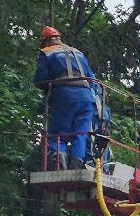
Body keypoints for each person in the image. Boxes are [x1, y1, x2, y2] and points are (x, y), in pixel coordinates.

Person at [33, 26, 96, 168]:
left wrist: (49, 91)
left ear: (45, 42)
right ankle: (77, 163)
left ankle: (58, 163)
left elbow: (40, 80)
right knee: (80, 132)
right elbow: (91, 79)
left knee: (58, 133)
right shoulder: (78, 53)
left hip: (64, 95)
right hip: (86, 97)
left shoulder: (47, 52)